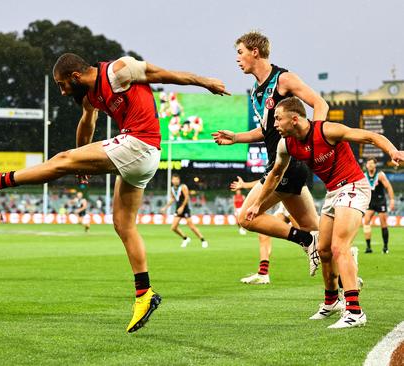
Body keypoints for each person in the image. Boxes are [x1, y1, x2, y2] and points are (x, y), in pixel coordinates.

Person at [0, 52, 228, 332]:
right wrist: (83, 156)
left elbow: (163, 74)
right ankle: (145, 294)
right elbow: (87, 122)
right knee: (122, 224)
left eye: (62, 85)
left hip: (139, 144)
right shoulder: (89, 96)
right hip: (142, 157)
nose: (61, 91)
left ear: (75, 77)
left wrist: (204, 82)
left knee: (61, 160)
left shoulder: (119, 70)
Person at [246, 97, 404, 328]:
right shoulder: (286, 145)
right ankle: (331, 302)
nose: (275, 124)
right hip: (333, 193)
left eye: (278, 119)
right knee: (323, 250)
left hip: (353, 186)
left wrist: (393, 151)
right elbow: (275, 174)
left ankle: (355, 311)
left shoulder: (327, 130)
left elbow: (370, 136)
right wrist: (256, 204)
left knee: (340, 247)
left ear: (295, 118)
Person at [212, 31, 327, 276]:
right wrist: (235, 138)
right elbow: (266, 131)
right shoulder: (256, 91)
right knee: (317, 232)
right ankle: (344, 280)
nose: (237, 58)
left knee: (246, 218)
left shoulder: (283, 79)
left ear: (255, 52)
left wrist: (314, 142)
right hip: (287, 166)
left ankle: (307, 242)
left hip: (286, 165)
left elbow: (320, 104)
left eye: (240, 52)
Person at [161, 173, 208, 248]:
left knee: (191, 227)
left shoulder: (183, 187)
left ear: (179, 180)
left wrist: (182, 207)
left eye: (177, 179)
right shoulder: (172, 189)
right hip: (178, 209)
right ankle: (185, 238)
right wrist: (165, 207)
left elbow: (187, 198)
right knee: (173, 227)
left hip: (185, 208)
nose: (175, 181)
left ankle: (203, 240)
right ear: (172, 180)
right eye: (174, 179)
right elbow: (173, 198)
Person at [363, 158, 395, 253]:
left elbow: (388, 187)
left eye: (372, 163)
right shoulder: (364, 176)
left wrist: (392, 200)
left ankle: (385, 247)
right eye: (368, 163)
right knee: (366, 221)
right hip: (371, 202)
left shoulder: (380, 175)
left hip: (381, 201)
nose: (370, 165)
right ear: (366, 165)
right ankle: (368, 247)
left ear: (375, 165)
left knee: (383, 223)